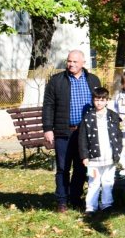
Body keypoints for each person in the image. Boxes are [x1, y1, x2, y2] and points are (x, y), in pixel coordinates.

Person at [41, 50, 103, 212]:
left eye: (75, 62)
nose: (71, 64)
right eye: (69, 61)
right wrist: (48, 129)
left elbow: (100, 104)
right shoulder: (56, 81)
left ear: (83, 63)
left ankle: (75, 198)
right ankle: (62, 201)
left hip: (85, 133)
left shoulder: (93, 80)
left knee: (81, 168)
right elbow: (48, 106)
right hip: (63, 132)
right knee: (63, 168)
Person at [78, 86, 123, 218]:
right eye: (97, 100)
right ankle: (91, 207)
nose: (99, 103)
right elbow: (82, 138)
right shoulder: (88, 117)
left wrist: (118, 151)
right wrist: (84, 156)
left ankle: (107, 204)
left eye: (102, 100)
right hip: (94, 157)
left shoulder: (113, 116)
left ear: (107, 101)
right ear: (93, 100)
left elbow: (118, 135)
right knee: (94, 182)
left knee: (108, 181)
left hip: (109, 155)